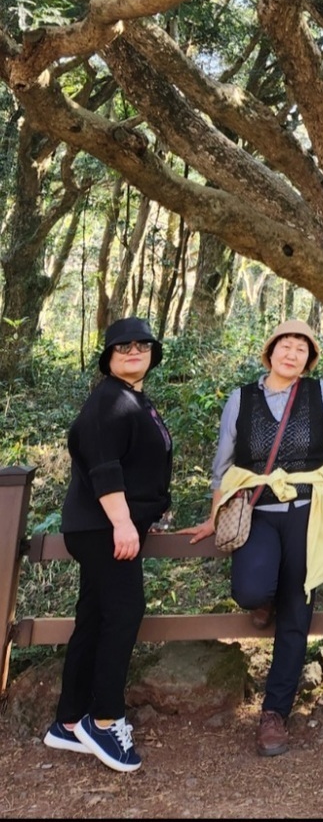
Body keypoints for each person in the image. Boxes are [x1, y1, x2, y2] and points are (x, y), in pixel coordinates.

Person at [186, 318, 323, 758]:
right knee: (250, 589)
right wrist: (215, 516)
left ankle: (275, 713)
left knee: (297, 612)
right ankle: (263, 600)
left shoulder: (319, 394)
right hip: (257, 511)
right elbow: (222, 465)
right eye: (285, 346)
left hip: (309, 514)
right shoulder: (241, 399)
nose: (292, 354)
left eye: (301, 348)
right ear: (270, 351)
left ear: (309, 359)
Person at [43, 316, 172, 773]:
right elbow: (104, 466)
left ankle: (68, 721)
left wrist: (142, 517)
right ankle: (104, 719)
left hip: (107, 526)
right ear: (108, 357)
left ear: (153, 352)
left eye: (142, 344)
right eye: (123, 346)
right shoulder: (109, 400)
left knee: (96, 616)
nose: (134, 351)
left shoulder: (133, 398)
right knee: (124, 613)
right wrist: (122, 522)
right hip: (103, 527)